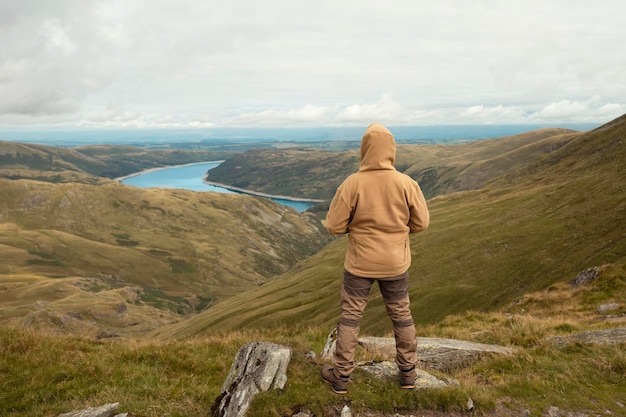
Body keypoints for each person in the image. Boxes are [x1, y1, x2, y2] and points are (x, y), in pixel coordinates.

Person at [321, 123, 430, 394]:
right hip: (395, 263)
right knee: (401, 315)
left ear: (365, 150)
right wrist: (398, 233)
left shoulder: (352, 183)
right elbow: (421, 224)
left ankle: (341, 377)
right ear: (391, 150)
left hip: (359, 263)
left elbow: (334, 226)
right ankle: (408, 373)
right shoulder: (407, 183)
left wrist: (356, 228)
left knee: (350, 317)